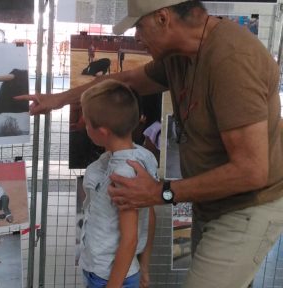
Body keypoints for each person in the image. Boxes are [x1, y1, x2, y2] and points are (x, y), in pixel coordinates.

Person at [19, 1, 283, 287]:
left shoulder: (232, 59)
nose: (137, 38)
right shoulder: (179, 55)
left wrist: (162, 193)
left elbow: (251, 170)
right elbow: (128, 80)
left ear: (162, 18)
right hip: (211, 202)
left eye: (139, 27)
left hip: (247, 206)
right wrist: (59, 100)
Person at [79, 79, 157, 287]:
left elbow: (130, 239)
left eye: (86, 122)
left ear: (102, 131)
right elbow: (149, 216)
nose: (84, 125)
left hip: (110, 277)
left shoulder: (123, 174)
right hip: (101, 270)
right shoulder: (125, 159)